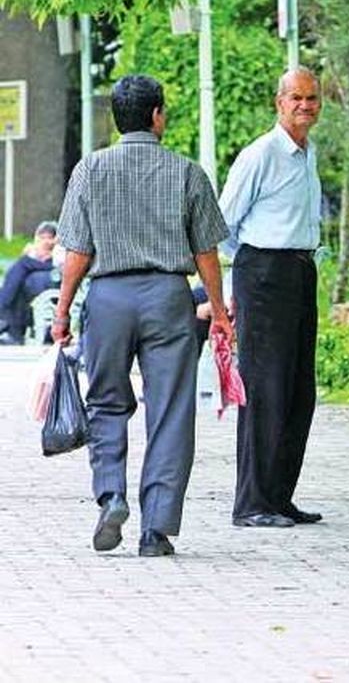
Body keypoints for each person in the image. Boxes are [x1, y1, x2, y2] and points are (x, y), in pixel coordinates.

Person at [52, 74, 232, 558]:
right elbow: (207, 253)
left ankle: (111, 494)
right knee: (170, 410)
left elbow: (77, 252)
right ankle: (156, 530)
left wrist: (63, 311)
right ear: (157, 116)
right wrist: (218, 311)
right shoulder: (188, 172)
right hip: (168, 297)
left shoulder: (89, 170)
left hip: (108, 298)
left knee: (107, 401)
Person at [219, 67, 324, 529]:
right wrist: (244, 279)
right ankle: (252, 503)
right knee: (265, 390)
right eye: (297, 98)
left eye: (313, 98)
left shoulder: (308, 154)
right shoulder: (261, 154)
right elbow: (223, 225)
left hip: (301, 269)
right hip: (264, 272)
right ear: (279, 102)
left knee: (300, 390)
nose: (305, 106)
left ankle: (280, 497)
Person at [0, 221, 60, 345]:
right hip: (34, 287)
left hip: (54, 282)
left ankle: (4, 315)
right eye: (42, 238)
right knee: (20, 283)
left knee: (23, 264)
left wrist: (30, 257)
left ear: (56, 238)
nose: (46, 241)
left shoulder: (59, 250)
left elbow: (58, 268)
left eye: (49, 237)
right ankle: (14, 333)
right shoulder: (34, 252)